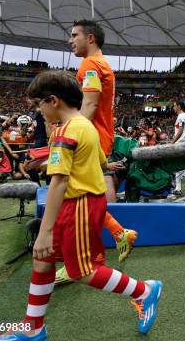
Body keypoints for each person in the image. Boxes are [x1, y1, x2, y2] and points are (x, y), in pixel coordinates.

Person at [0, 71, 162, 340]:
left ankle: (144, 291)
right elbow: (89, 164)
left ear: (53, 100)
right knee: (42, 261)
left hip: (78, 205)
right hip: (82, 202)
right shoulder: (84, 126)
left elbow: (58, 183)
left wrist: (44, 232)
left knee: (83, 271)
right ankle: (33, 329)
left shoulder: (65, 131)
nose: (37, 112)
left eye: (37, 105)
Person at [56, 20, 137, 285]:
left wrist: (71, 133)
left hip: (90, 136)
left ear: (90, 38)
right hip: (99, 136)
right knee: (87, 195)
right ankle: (117, 233)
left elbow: (89, 104)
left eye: (74, 35)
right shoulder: (101, 64)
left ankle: (83, 260)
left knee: (78, 198)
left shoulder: (90, 64)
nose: (71, 40)